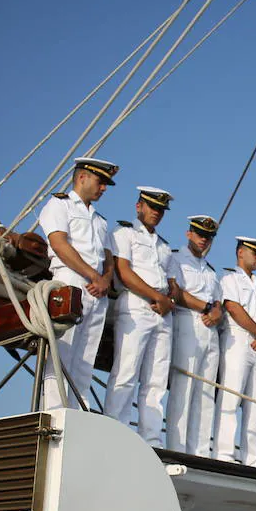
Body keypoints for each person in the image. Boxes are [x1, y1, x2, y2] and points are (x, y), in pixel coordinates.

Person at [36, 157, 115, 411]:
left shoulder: (101, 220)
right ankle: (55, 415)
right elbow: (59, 244)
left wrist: (104, 279)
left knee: (86, 359)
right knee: (62, 355)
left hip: (97, 290)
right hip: (70, 281)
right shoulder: (59, 205)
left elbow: (109, 257)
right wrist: (94, 275)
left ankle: (80, 415)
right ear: (82, 177)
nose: (103, 188)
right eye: (101, 182)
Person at [105, 186, 175, 444]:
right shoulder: (124, 232)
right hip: (136, 305)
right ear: (139, 206)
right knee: (126, 371)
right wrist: (157, 297)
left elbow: (171, 282)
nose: (156, 213)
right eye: (152, 207)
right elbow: (123, 271)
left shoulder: (164, 246)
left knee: (156, 380)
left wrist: (169, 299)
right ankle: (115, 432)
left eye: (160, 210)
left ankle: (151, 438)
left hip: (162, 311)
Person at [166, 215, 223, 456]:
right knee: (184, 387)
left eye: (208, 237)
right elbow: (175, 291)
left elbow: (218, 300)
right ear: (189, 233)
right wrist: (207, 308)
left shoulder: (210, 270)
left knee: (206, 392)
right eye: (200, 234)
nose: (204, 240)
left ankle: (198, 451)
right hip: (187, 322)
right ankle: (177, 448)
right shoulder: (176, 258)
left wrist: (216, 311)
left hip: (210, 331)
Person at [214, 237, 256, 467]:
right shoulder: (229, 279)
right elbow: (233, 307)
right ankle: (224, 454)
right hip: (238, 341)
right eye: (255, 253)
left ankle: (252, 459)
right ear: (241, 252)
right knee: (230, 398)